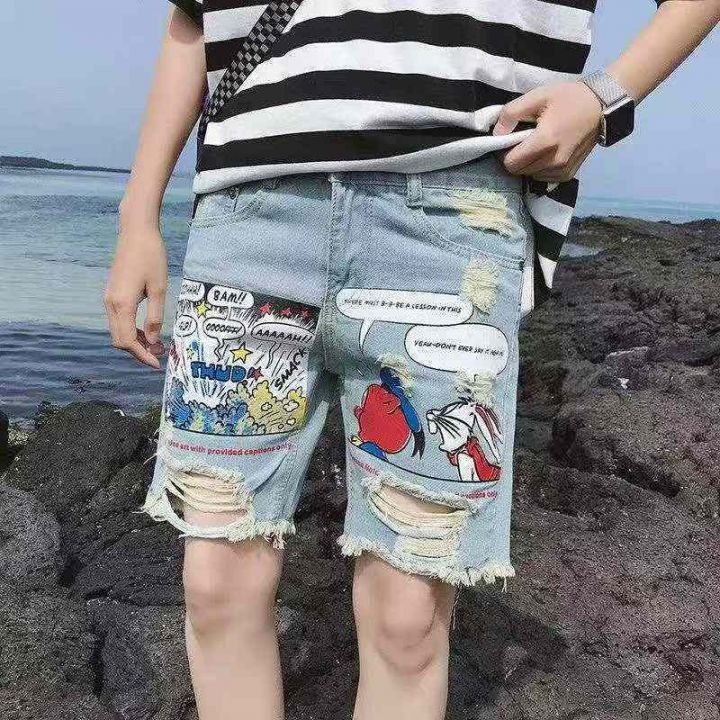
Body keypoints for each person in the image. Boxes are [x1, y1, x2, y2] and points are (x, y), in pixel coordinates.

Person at [104, 2, 719, 718]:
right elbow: (193, 20)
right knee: (216, 586)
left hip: (452, 222)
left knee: (409, 619)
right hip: (248, 220)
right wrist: (137, 214)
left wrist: (605, 97)